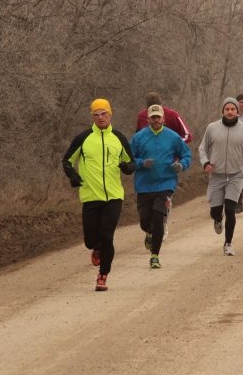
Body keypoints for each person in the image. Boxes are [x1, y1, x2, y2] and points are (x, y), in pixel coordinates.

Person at [62, 98, 135, 291]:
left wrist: (127, 167)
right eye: (97, 114)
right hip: (90, 196)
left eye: (104, 113)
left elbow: (131, 163)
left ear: (110, 114)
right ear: (92, 116)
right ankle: (96, 248)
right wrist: (73, 176)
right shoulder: (83, 138)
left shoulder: (119, 138)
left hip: (113, 196)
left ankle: (103, 276)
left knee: (107, 236)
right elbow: (67, 161)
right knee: (90, 240)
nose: (101, 117)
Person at [130, 104, 191, 269]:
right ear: (148, 119)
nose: (156, 120)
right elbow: (128, 159)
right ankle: (148, 233)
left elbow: (186, 155)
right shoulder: (138, 138)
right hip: (144, 185)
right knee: (145, 222)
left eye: (159, 117)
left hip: (166, 183)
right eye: (153, 117)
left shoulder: (173, 137)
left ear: (163, 119)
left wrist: (181, 165)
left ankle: (155, 256)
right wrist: (142, 163)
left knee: (158, 219)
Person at [199, 97, 243, 256]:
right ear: (223, 111)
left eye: (233, 109)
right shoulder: (212, 128)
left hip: (235, 175)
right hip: (216, 176)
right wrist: (205, 162)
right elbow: (202, 148)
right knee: (215, 211)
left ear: (237, 111)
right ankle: (218, 219)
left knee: (231, 209)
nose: (230, 112)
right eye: (227, 109)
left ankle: (228, 243)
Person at [136, 92, 193, 240]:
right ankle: (151, 229)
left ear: (162, 106)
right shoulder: (141, 116)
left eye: (157, 110)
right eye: (150, 111)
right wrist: (140, 161)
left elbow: (187, 135)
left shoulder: (172, 115)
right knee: (147, 216)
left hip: (169, 165)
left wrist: (171, 145)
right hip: (147, 171)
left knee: (162, 202)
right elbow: (137, 139)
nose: (154, 117)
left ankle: (163, 222)